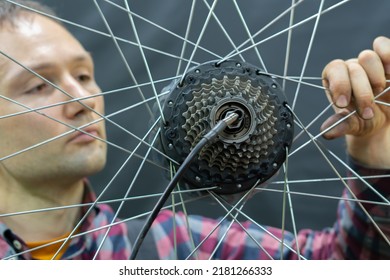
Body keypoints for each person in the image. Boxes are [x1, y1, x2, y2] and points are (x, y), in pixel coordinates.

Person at [0, 0, 389, 260]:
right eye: (38, 84)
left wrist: (378, 165)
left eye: (84, 74)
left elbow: (347, 260)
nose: (83, 99)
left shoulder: (174, 248)